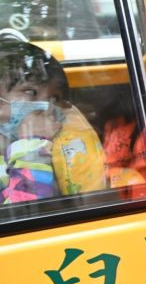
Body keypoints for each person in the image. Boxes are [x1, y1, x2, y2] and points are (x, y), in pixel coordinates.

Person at [0, 31, 104, 203]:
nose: (47, 107)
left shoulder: (56, 146)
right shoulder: (33, 146)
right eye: (30, 92)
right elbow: (27, 210)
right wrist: (31, 139)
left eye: (55, 99)